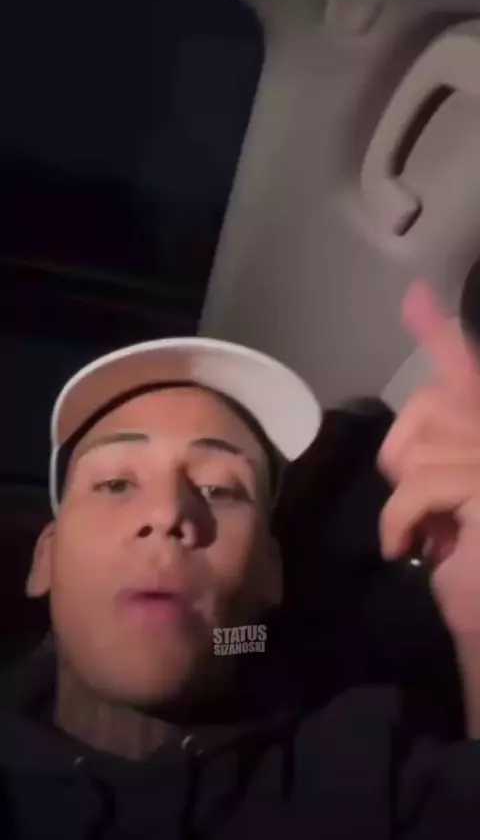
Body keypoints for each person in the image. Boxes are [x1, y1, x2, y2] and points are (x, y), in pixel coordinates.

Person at [2, 280, 480, 839]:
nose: (168, 511)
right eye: (115, 483)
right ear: (45, 558)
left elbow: (244, 639)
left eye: (219, 490)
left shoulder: (362, 770)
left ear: (271, 571)